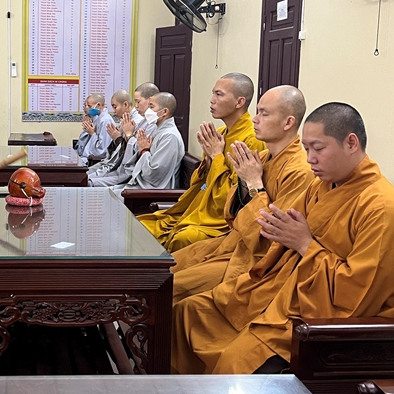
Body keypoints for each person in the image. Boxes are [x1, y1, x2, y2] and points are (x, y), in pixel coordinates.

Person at [172, 102, 394, 375]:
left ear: (351, 143)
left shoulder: (381, 207)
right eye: (307, 149)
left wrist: (305, 245)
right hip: (278, 289)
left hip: (317, 315)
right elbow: (274, 234)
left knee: (235, 362)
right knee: (189, 312)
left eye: (318, 149)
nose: (310, 159)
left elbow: (359, 294)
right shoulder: (320, 186)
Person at [168, 85, 314, 303]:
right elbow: (231, 213)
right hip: (232, 242)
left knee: (173, 288)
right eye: (257, 112)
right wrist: (232, 173)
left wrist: (254, 183)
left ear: (288, 123)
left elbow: (270, 236)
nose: (255, 119)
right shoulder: (260, 158)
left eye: (264, 114)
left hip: (256, 260)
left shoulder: (300, 172)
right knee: (168, 266)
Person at [138, 73, 266, 252]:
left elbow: (231, 199)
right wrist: (207, 163)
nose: (212, 100)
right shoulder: (219, 134)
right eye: (213, 93)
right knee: (141, 225)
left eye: (219, 94)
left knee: (182, 238)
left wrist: (217, 156)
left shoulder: (250, 141)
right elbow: (203, 185)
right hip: (200, 208)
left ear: (239, 102)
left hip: (219, 221)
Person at [113, 91, 185, 194]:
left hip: (154, 191)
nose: (148, 111)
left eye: (151, 107)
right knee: (105, 192)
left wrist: (144, 150)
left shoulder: (169, 136)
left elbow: (154, 175)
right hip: (142, 183)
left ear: (164, 112)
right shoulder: (158, 129)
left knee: (107, 194)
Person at [87, 88, 155, 187]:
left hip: (127, 172)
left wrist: (122, 138)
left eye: (138, 102)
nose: (136, 106)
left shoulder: (139, 122)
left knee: (87, 181)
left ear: (125, 104)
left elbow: (136, 153)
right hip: (116, 166)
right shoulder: (130, 120)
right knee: (83, 176)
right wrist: (117, 140)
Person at [75, 93, 115, 164]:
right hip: (86, 156)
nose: (87, 108)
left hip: (93, 160)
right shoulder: (98, 118)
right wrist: (87, 130)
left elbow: (101, 150)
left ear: (98, 105)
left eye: (90, 106)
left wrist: (92, 133)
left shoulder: (105, 121)